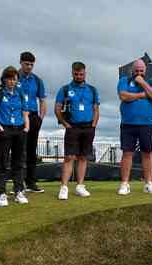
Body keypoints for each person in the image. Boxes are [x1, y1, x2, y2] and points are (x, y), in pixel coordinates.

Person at [55, 61, 99, 199]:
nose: (79, 76)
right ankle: (64, 187)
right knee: (69, 157)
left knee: (83, 157)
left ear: (85, 73)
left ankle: (80, 186)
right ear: (72, 73)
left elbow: (96, 109)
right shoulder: (65, 89)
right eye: (76, 73)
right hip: (72, 126)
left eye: (81, 74)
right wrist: (65, 124)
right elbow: (57, 109)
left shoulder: (92, 89)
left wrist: (94, 125)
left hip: (88, 127)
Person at [116, 59, 152, 195]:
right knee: (127, 153)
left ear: (145, 70)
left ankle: (148, 184)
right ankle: (124, 184)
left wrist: (142, 83)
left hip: (147, 124)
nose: (139, 73)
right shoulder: (124, 81)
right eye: (137, 70)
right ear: (132, 70)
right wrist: (141, 95)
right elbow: (123, 96)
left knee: (147, 153)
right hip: (128, 124)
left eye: (141, 70)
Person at [0, 66, 30, 207]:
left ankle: (18, 191)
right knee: (2, 163)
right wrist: (0, 128)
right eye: (9, 78)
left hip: (19, 131)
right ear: (4, 79)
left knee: (18, 163)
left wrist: (26, 128)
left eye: (14, 79)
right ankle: (1, 194)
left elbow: (25, 113)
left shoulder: (21, 94)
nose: (12, 81)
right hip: (4, 130)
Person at [18, 51, 47, 193]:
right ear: (20, 62)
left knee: (31, 151)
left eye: (31, 65)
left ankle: (31, 183)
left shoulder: (37, 80)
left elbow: (42, 100)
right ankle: (18, 184)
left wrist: (40, 118)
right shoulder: (14, 77)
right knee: (18, 151)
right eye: (26, 64)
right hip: (17, 117)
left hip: (33, 116)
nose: (29, 67)